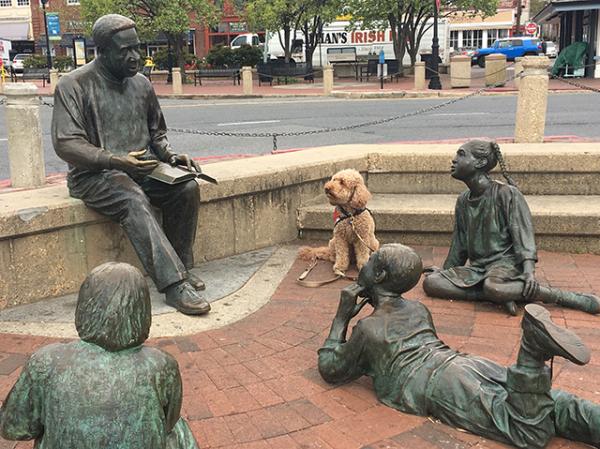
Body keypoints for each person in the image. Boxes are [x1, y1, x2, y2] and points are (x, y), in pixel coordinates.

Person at [318, 244, 600, 449]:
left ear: (378, 276)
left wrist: (341, 318)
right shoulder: (417, 309)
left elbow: (331, 369)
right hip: (464, 364)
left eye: (370, 262)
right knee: (545, 400)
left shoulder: (368, 329)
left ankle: (532, 352)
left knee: (525, 429)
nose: (363, 265)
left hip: (433, 385)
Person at [51, 14, 209, 315]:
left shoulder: (142, 85)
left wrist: (169, 155)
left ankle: (183, 267)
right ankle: (174, 285)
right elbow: (66, 143)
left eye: (137, 48)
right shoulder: (73, 85)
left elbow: (156, 132)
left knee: (186, 188)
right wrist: (114, 160)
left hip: (144, 167)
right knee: (133, 198)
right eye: (125, 51)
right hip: (96, 174)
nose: (136, 57)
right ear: (103, 51)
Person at [0, 262, 199, 449]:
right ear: (142, 311)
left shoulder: (47, 361)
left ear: (85, 307)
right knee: (178, 431)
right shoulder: (162, 365)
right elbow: (170, 421)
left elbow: (13, 428)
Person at [422, 139, 600, 316]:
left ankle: (558, 296)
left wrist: (529, 271)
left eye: (461, 154)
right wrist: (447, 272)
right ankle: (500, 295)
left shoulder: (506, 194)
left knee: (493, 286)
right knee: (432, 283)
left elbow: (523, 235)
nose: (454, 159)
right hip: (479, 270)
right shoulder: (463, 200)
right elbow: (459, 244)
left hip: (506, 265)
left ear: (480, 162)